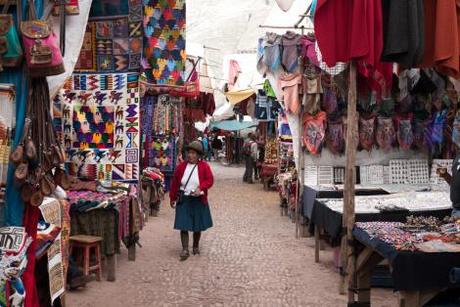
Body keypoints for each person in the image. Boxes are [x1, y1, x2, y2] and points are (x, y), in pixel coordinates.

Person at [169, 140, 214, 260]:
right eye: (189, 153)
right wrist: (172, 198)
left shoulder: (204, 166)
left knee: (197, 225)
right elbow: (174, 183)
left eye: (194, 153)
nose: (191, 155)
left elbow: (210, 180)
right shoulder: (181, 167)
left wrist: (201, 188)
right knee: (183, 224)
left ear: (199, 155)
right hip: (184, 198)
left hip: (198, 199)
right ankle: (185, 249)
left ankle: (195, 246)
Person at [437, 117, 460, 217]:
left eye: (459, 129)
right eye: (455, 128)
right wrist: (446, 175)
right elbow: (456, 183)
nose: (456, 132)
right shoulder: (458, 156)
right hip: (456, 210)